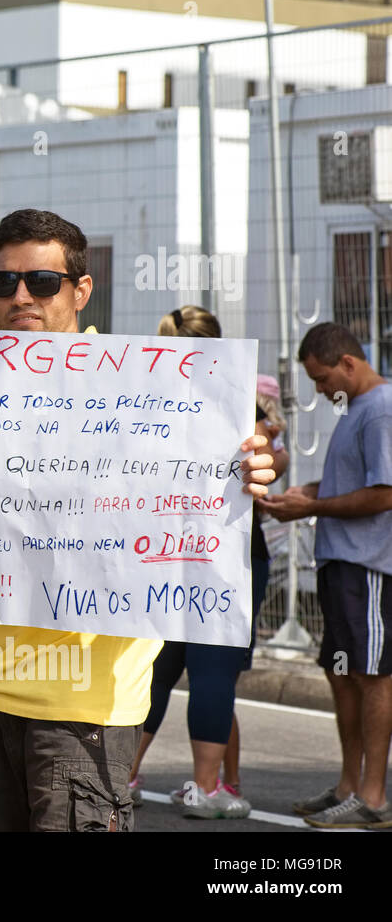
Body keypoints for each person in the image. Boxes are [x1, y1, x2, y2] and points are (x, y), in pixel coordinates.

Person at [0, 209, 275, 831]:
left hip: (86, 710)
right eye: (1, 283)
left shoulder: (142, 388)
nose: (20, 297)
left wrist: (247, 471)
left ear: (81, 290)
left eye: (41, 282)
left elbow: (211, 473)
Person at [126, 305, 289, 819]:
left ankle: (123, 773)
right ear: (218, 347)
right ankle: (204, 787)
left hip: (160, 551)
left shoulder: (144, 400)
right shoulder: (232, 399)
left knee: (159, 668)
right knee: (215, 668)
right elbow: (271, 456)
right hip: (227, 552)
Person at [259, 321, 392, 829]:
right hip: (341, 565)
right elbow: (354, 480)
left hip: (368, 565)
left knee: (372, 675)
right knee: (342, 674)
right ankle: (347, 786)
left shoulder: (379, 409)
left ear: (349, 364)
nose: (318, 390)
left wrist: (310, 508)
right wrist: (307, 495)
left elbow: (384, 493)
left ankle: (373, 797)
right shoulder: (357, 408)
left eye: (321, 378)